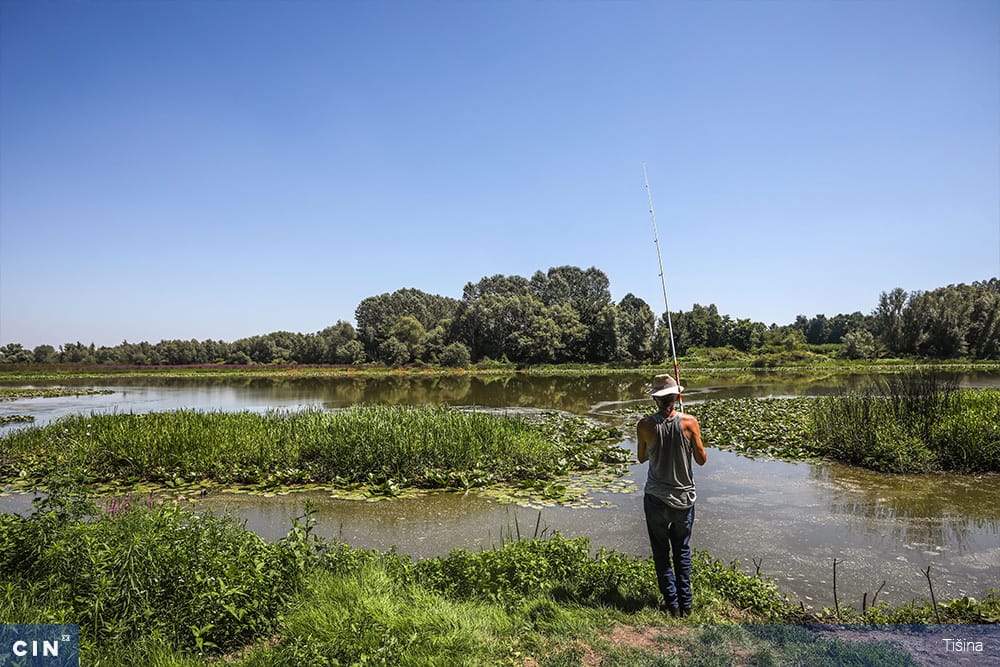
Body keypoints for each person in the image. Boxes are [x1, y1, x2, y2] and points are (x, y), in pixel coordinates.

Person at [636, 373, 707, 617]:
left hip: (656, 497)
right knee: (681, 550)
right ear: (676, 397)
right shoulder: (690, 422)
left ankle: (672, 605)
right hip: (684, 498)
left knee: (661, 551)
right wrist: (687, 438)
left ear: (655, 399)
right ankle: (686, 605)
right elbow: (701, 460)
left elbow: (642, 457)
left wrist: (660, 446)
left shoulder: (644, 425)